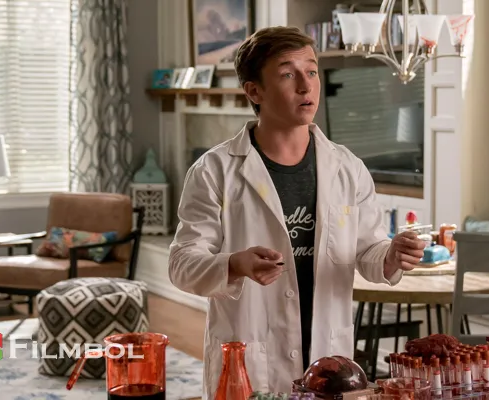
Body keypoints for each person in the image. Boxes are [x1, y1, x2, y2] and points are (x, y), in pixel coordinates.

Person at [168, 26, 427, 397]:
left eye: (312, 71)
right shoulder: (214, 171)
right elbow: (182, 265)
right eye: (288, 74)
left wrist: (392, 255)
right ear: (254, 91)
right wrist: (235, 264)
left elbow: (368, 251)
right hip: (251, 359)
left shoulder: (348, 168)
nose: (306, 86)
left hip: (328, 358)